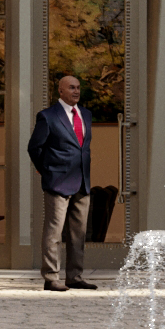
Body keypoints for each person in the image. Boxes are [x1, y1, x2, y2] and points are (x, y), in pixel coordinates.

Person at [28, 73, 103, 290]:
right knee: (54, 232)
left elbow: (82, 148)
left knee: (78, 233)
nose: (76, 91)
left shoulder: (86, 115)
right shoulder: (48, 116)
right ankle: (51, 278)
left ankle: (75, 277)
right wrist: (45, 170)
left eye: (78, 87)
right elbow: (35, 147)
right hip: (57, 182)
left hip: (82, 181)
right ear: (60, 91)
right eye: (71, 87)